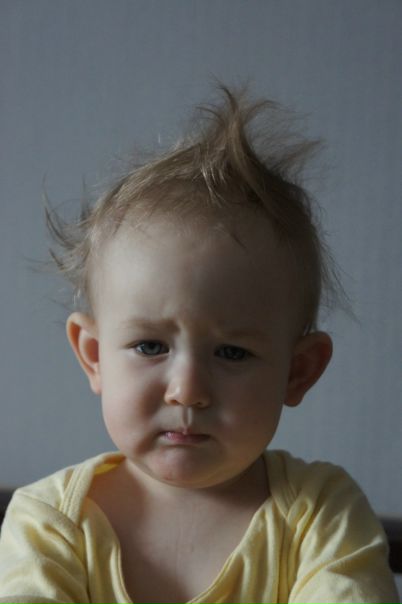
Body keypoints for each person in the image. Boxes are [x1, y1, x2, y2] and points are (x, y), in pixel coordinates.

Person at [0, 87, 398, 604]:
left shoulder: (320, 516)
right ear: (94, 356)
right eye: (150, 346)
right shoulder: (49, 523)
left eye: (232, 352)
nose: (187, 391)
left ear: (298, 371)